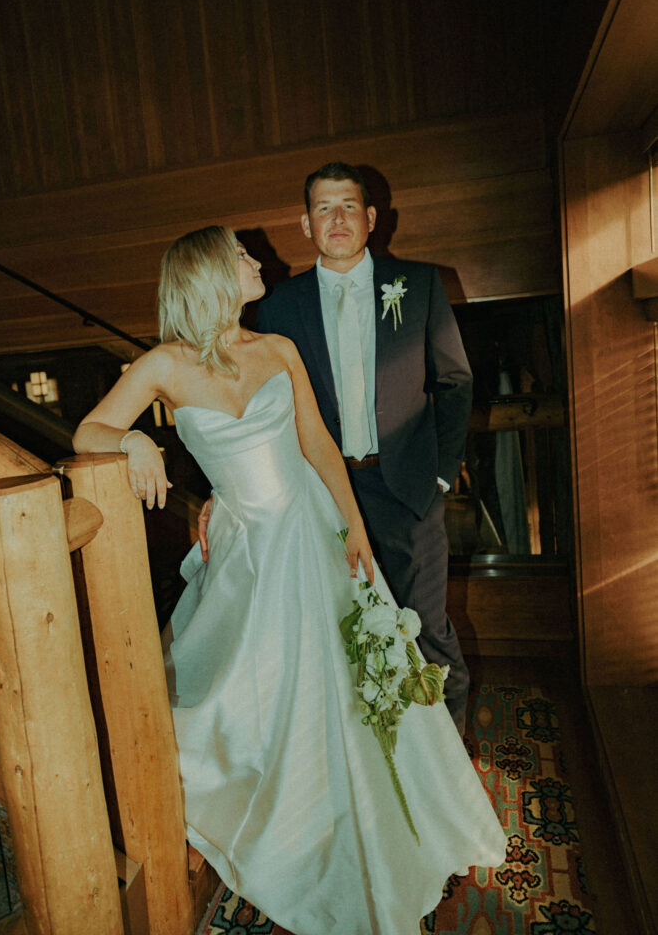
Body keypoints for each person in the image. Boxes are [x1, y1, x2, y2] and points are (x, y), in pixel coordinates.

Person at [73, 226, 505, 935]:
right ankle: (296, 821)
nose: (258, 262)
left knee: (347, 683)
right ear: (210, 273)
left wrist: (355, 528)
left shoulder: (278, 350)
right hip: (250, 555)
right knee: (267, 691)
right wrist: (133, 439)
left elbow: (316, 445)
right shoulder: (161, 365)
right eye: (242, 256)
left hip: (314, 534)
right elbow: (87, 431)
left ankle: (371, 819)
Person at [250, 162, 473, 734]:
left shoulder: (419, 286)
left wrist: (441, 474)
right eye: (324, 208)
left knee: (426, 626)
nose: (337, 218)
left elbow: (455, 383)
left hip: (409, 489)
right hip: (323, 494)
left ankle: (449, 761)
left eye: (348, 205)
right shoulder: (278, 307)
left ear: (371, 219)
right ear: (306, 225)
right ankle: (383, 757)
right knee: (345, 630)